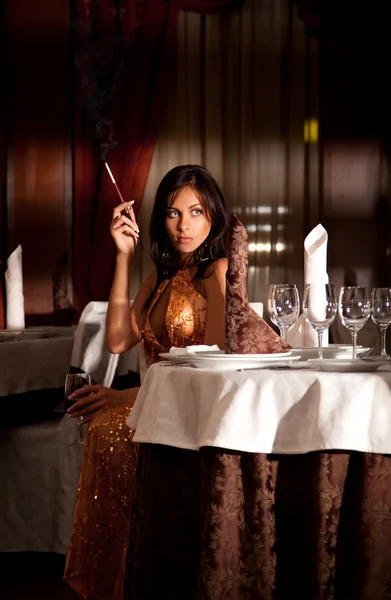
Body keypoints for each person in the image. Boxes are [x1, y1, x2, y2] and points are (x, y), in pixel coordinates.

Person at [64, 164, 230, 600]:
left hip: (193, 413)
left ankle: (136, 581)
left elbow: (209, 367)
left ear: (213, 214)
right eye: (174, 214)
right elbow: (119, 339)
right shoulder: (159, 276)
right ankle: (120, 584)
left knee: (111, 430)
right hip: (154, 406)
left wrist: (122, 396)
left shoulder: (218, 272)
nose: (184, 225)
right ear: (160, 220)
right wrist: (122, 255)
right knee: (102, 428)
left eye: (196, 212)